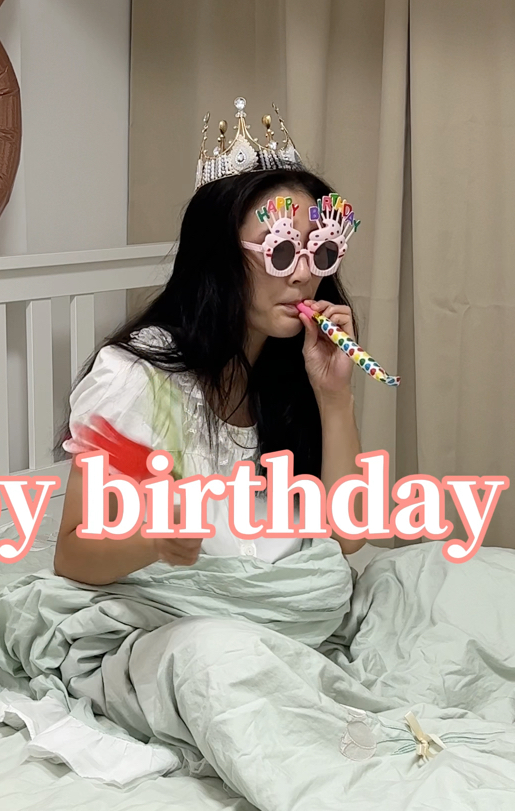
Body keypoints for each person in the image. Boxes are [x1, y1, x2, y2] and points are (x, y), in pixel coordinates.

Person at [53, 161, 368, 586]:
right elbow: (72, 555)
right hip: (181, 606)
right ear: (218, 258)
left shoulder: (291, 367)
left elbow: (347, 537)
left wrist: (334, 397)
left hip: (279, 598)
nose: (303, 275)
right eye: (280, 251)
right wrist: (153, 541)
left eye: (321, 251)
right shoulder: (137, 376)